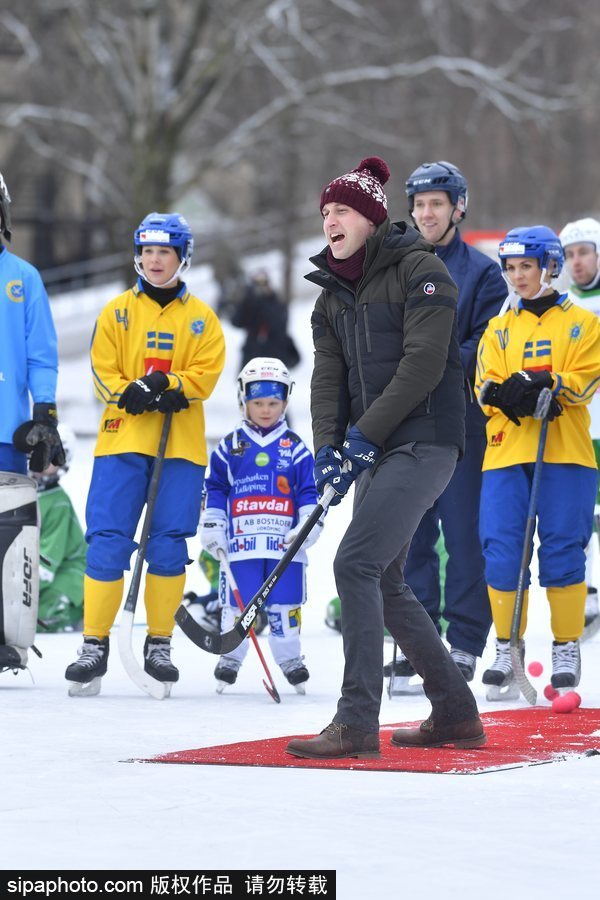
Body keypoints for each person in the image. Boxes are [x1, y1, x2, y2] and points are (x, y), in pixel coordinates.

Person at [286, 156, 485, 760]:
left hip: (426, 439)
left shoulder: (421, 269)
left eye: (342, 211)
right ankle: (455, 712)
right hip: (374, 445)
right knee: (384, 577)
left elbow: (423, 364)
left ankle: (355, 722)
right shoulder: (330, 294)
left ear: (371, 218)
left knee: (356, 564)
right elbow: (327, 380)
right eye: (325, 212)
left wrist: (364, 436)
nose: (330, 221)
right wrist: (328, 449)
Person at [64, 212, 226, 695]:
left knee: (169, 545)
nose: (155, 260)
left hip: (180, 447)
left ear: (182, 257)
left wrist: (169, 383)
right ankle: (94, 643)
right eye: (148, 251)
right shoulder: (116, 312)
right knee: (108, 540)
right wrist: (130, 391)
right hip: (122, 443)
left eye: (165, 252)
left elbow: (205, 373)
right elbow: (102, 371)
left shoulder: (202, 318)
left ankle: (159, 642)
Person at [388, 161, 506, 684]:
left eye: (436, 203)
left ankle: (464, 643)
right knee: (411, 538)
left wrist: (426, 364)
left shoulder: (483, 272)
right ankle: (418, 644)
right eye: (419, 204)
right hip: (407, 424)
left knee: (463, 537)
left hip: (461, 426)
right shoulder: (395, 267)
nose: (426, 213)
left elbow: (487, 344)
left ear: (459, 207)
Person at [475, 226, 600, 698]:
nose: (518, 276)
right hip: (507, 452)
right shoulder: (499, 327)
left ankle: (566, 645)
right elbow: (484, 386)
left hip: (566, 452)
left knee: (564, 547)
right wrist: (508, 395)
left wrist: (550, 383)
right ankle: (507, 647)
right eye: (510, 268)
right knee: (502, 550)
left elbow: (586, 379)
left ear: (550, 266)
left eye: (526, 266)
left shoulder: (584, 323)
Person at [200, 357, 321, 693]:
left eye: (273, 403)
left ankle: (289, 659)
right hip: (242, 545)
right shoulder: (230, 446)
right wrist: (213, 522)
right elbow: (216, 487)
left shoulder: (295, 447)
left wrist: (309, 524)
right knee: (238, 605)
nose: (266, 410)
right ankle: (230, 656)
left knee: (285, 605)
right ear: (244, 401)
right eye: (258, 403)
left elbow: (308, 491)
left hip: (285, 546)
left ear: (285, 402)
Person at [0, 170, 65, 672]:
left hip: (7, 431)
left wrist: (45, 412)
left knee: (5, 541)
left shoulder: (23, 277)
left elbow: (42, 354)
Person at [558, 218, 600, 631]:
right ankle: (585, 592)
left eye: (584, 252)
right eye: (570, 255)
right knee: (580, 516)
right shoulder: (563, 305)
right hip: (580, 430)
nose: (577, 261)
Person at [34, 424, 86, 633]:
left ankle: (77, 615)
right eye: (40, 454)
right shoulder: (25, 495)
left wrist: (18, 588)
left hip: (68, 573)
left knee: (38, 620)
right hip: (34, 573)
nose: (43, 462)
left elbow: (48, 561)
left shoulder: (58, 503)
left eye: (52, 458)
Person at [231, 270, 300, 370]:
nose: (260, 288)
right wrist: (246, 302)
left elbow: (280, 325)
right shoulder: (249, 302)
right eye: (257, 284)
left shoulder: (276, 301)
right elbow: (236, 322)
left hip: (274, 355)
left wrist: (267, 300)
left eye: (264, 283)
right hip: (252, 354)